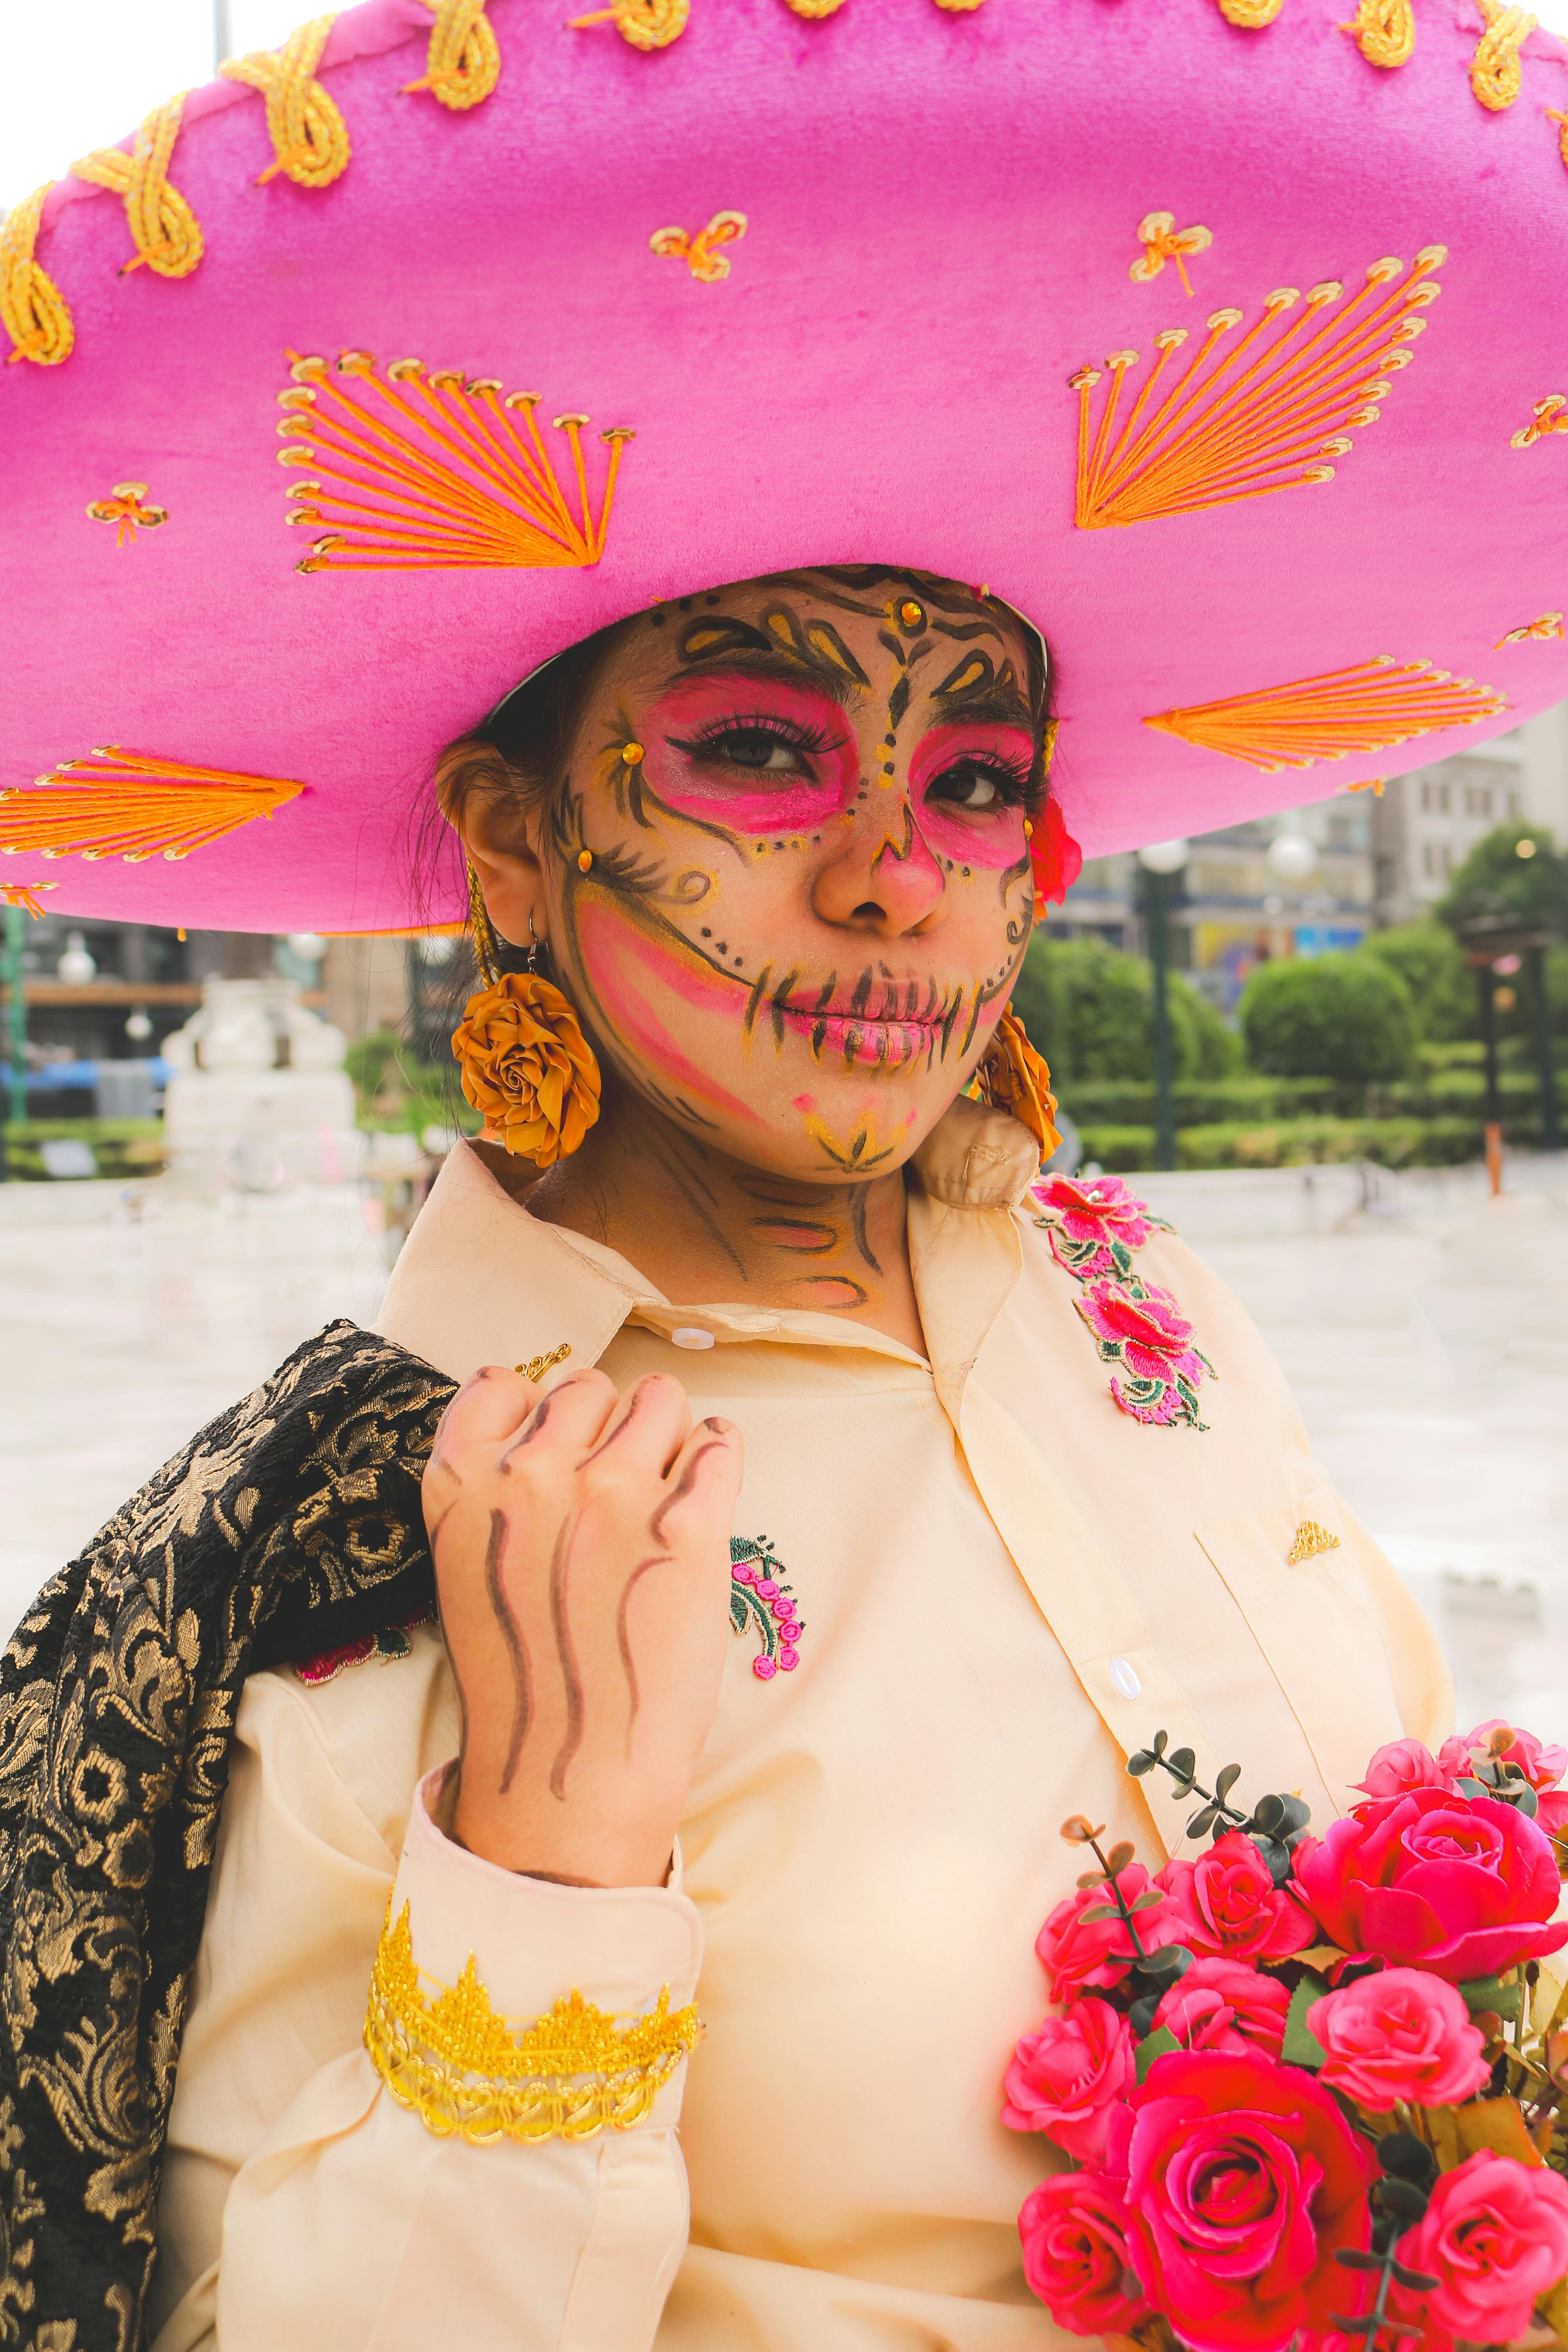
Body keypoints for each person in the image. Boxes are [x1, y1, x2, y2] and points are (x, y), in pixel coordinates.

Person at [0, 4, 1558, 2348]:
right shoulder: (344, 1553)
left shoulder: (1139, 1306)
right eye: (757, 751)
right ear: (520, 848)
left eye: (972, 782)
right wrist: (542, 1886)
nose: (891, 881)